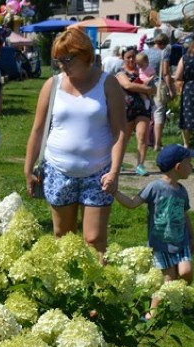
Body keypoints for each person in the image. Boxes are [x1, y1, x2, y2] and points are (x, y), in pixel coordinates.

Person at [24, 28, 126, 255]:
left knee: (94, 239)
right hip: (58, 170)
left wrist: (115, 172)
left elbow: (120, 132)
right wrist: (28, 168)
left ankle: (98, 289)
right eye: (58, 61)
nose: (63, 66)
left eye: (67, 59)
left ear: (85, 54)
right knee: (62, 235)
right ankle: (66, 289)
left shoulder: (108, 84)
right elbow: (38, 129)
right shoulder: (53, 85)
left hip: (98, 173)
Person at [113, 144, 194, 318]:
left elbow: (185, 215)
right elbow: (132, 203)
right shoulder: (154, 187)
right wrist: (114, 192)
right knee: (167, 279)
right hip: (161, 244)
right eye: (190, 163)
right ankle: (152, 313)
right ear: (178, 166)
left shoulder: (182, 191)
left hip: (181, 242)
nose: (192, 167)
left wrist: (192, 236)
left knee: (186, 272)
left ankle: (180, 298)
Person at [116, 46, 156, 176]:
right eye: (128, 57)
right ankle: (118, 162)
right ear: (123, 58)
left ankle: (140, 165)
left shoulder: (143, 71)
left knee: (142, 135)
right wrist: (145, 88)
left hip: (143, 108)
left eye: (133, 57)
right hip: (126, 108)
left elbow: (154, 89)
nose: (131, 60)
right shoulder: (120, 73)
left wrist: (148, 88)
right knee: (124, 138)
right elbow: (127, 85)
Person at [145, 33, 174, 151]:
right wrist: (171, 89)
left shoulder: (145, 52)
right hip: (158, 85)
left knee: (147, 113)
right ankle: (157, 143)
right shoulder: (164, 53)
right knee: (158, 113)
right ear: (165, 43)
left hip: (145, 84)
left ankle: (146, 140)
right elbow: (166, 72)